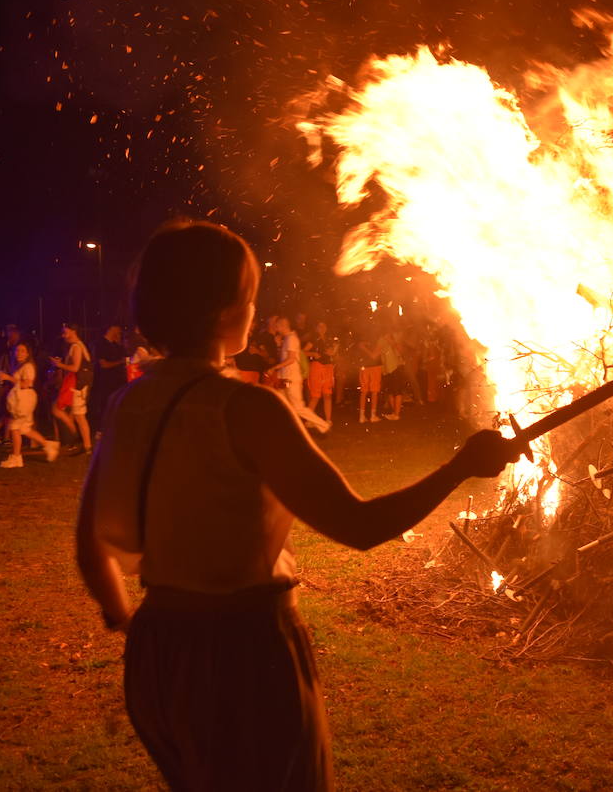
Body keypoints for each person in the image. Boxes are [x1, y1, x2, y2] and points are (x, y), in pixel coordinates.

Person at [75, 220, 517, 790]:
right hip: (245, 652)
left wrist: (130, 623)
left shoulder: (128, 401)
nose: (255, 310)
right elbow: (359, 525)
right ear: (226, 310)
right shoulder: (247, 409)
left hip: (159, 648)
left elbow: (92, 546)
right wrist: (461, 466)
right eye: (251, 297)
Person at [0, 342, 60, 468]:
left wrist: (8, 378)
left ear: (27, 353)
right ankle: (48, 445)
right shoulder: (20, 366)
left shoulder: (28, 367)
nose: (19, 353)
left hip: (23, 400)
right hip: (21, 398)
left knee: (14, 427)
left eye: (22, 350)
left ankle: (16, 458)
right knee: (25, 429)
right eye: (17, 350)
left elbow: (26, 384)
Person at [269, 316, 329, 434]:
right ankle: (286, 430)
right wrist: (278, 345)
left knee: (298, 408)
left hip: (292, 378)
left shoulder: (291, 338)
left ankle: (323, 425)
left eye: (276, 325)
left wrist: (274, 368)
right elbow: (283, 358)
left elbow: (291, 359)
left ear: (282, 326)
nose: (275, 328)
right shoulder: (286, 339)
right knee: (283, 405)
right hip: (284, 378)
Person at [51, 323, 93, 454]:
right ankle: (77, 443)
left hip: (78, 386)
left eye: (66, 332)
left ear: (74, 331)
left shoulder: (76, 347)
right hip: (77, 385)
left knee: (78, 416)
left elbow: (75, 368)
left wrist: (60, 364)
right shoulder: (76, 346)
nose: (63, 335)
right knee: (75, 414)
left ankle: (85, 446)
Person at [91, 324, 129, 439]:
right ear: (112, 328)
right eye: (118, 330)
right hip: (106, 382)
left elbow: (124, 356)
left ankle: (113, 429)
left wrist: (119, 344)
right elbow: (104, 364)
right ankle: (100, 430)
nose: (120, 333)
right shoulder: (100, 344)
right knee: (105, 405)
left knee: (116, 405)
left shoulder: (115, 345)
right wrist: (120, 362)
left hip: (118, 382)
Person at [303, 320, 339, 427]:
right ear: (316, 328)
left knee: (327, 395)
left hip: (328, 368)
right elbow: (302, 352)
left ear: (326, 328)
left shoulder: (329, 340)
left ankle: (328, 420)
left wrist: (332, 354)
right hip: (317, 367)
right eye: (319, 326)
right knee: (315, 396)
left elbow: (334, 355)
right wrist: (313, 354)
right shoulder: (313, 340)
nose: (321, 328)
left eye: (323, 326)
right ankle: (308, 420)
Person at [355, 328, 383, 424]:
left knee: (366, 391)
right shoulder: (377, 340)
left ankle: (366, 416)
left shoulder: (373, 341)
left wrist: (363, 348)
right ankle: (369, 416)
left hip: (369, 367)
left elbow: (373, 355)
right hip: (370, 367)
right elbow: (373, 356)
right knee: (370, 391)